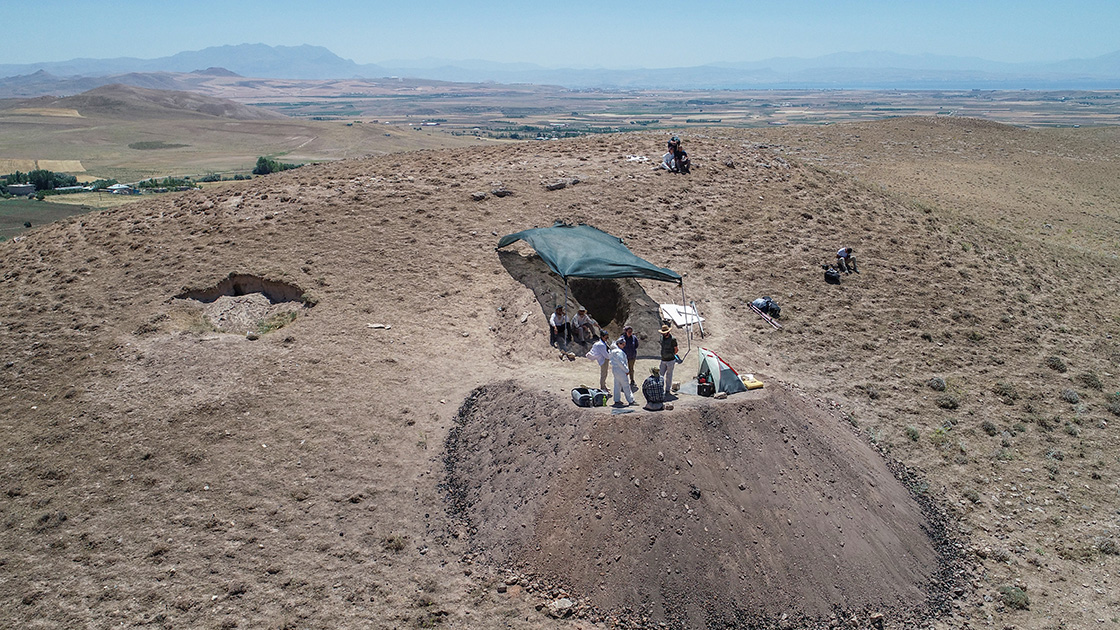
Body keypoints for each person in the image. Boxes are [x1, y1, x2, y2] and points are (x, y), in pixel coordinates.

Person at [609, 341, 634, 406]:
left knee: (617, 385)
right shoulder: (619, 352)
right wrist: (627, 370)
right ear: (618, 344)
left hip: (615, 369)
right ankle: (631, 400)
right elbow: (621, 363)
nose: (623, 345)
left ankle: (616, 400)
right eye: (622, 344)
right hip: (620, 370)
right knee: (625, 385)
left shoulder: (612, 351)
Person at [658, 324, 679, 397]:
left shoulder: (673, 339)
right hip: (663, 359)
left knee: (669, 376)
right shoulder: (661, 338)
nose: (663, 334)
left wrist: (672, 354)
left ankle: (667, 390)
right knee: (660, 375)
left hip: (670, 360)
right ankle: (660, 389)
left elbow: (676, 349)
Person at [616, 325, 639, 391]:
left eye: (631, 331)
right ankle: (623, 381)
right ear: (626, 331)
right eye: (629, 331)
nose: (630, 333)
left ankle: (632, 380)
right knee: (624, 369)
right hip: (624, 357)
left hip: (632, 356)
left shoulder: (634, 338)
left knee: (631, 369)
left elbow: (636, 345)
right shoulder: (622, 338)